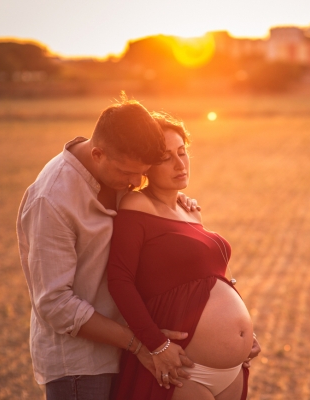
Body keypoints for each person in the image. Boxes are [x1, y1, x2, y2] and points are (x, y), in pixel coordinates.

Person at [16, 97, 197, 400]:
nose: (135, 182)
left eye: (142, 172)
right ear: (97, 154)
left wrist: (174, 206)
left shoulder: (117, 173)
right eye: (128, 173)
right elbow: (55, 304)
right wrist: (141, 344)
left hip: (128, 352)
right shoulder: (52, 199)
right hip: (82, 367)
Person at [107, 112, 261, 400]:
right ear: (146, 166)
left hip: (232, 371)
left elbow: (211, 278)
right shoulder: (137, 203)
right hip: (183, 368)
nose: (180, 164)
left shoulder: (190, 211)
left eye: (183, 152)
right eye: (166, 157)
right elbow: (119, 280)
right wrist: (156, 345)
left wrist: (243, 333)